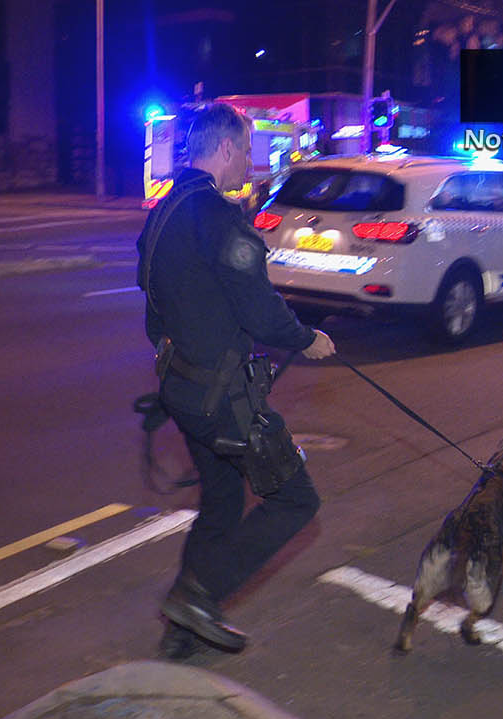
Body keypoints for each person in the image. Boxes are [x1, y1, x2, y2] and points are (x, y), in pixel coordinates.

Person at [136, 103, 336, 658]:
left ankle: (182, 633)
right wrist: (306, 339)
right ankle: (197, 595)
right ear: (224, 149)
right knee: (296, 500)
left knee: (222, 503)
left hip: (181, 389)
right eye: (246, 151)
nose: (251, 162)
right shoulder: (217, 218)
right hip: (223, 398)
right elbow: (261, 311)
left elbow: (154, 308)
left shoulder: (163, 212)